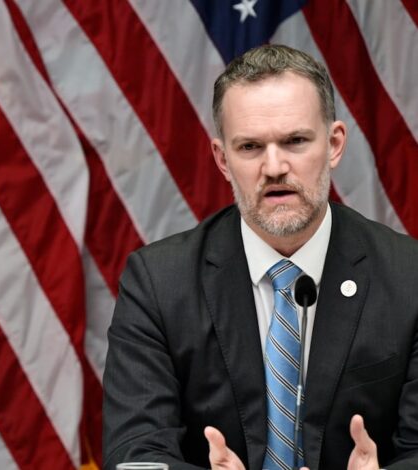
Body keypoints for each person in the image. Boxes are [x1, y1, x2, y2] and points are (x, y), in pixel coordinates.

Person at [103, 44, 418, 469]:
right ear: (222, 159)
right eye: (250, 146)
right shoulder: (158, 283)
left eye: (295, 141)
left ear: (334, 144)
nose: (274, 167)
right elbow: (136, 454)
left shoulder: (408, 276)